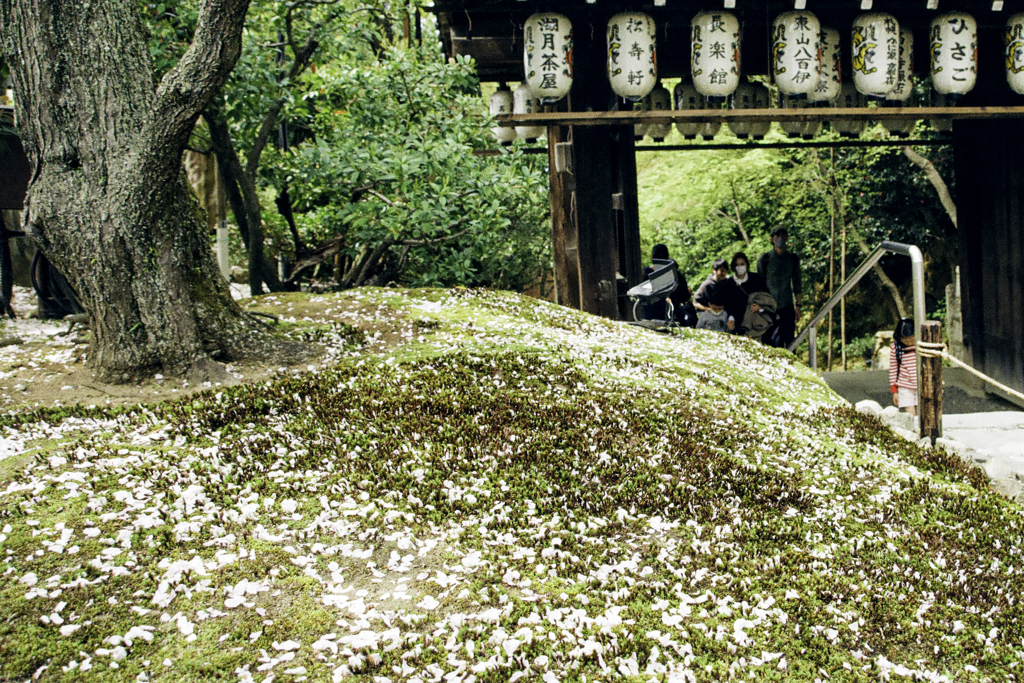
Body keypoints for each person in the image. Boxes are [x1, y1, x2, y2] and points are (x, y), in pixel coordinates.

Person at [757, 226, 802, 347]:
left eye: (783, 236)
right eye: (777, 236)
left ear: (787, 238)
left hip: (786, 305)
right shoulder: (765, 259)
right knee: (768, 341)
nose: (780, 239)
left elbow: (797, 283)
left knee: (789, 340)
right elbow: (759, 285)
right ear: (772, 239)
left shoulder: (792, 259)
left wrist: (798, 306)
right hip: (768, 307)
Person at [643, 244, 694, 325]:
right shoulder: (676, 275)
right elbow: (685, 296)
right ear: (667, 257)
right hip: (672, 316)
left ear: (652, 256)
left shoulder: (644, 273)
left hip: (649, 316)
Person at [724, 251, 768, 333]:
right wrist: (731, 319)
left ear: (746, 265)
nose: (740, 267)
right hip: (738, 323)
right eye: (737, 265)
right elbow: (727, 305)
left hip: (756, 321)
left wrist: (760, 306)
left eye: (742, 264)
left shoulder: (756, 278)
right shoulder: (729, 283)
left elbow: (765, 297)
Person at [889, 318, 918, 416]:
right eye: (905, 339)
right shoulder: (896, 347)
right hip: (905, 386)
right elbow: (893, 369)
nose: (909, 342)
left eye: (911, 338)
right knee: (911, 415)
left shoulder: (921, 344)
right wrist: (894, 391)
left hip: (922, 384)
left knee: (923, 414)